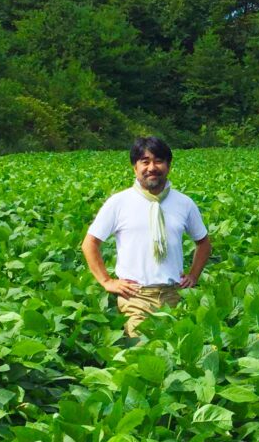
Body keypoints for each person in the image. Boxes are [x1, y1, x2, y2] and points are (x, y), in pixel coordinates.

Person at [81, 136, 211, 337]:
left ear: (168, 166)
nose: (152, 167)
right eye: (145, 161)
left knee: (175, 353)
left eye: (158, 161)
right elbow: (90, 243)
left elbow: (203, 243)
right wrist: (107, 281)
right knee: (139, 352)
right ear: (135, 167)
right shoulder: (119, 202)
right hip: (135, 297)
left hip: (173, 295)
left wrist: (193, 275)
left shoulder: (184, 203)